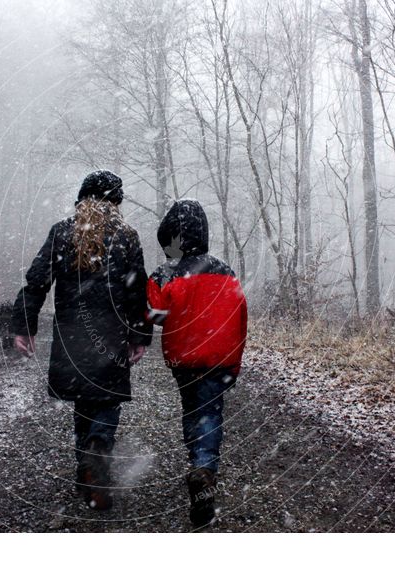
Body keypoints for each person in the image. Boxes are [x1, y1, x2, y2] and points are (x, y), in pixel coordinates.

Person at [11, 170, 152, 510]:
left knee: (82, 402)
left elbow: (36, 282)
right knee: (105, 402)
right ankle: (98, 451)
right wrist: (138, 336)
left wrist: (24, 325)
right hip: (111, 337)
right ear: (116, 203)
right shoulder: (127, 237)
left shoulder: (62, 232)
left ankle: (86, 467)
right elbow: (137, 292)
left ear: (82, 199)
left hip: (71, 337)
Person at [146, 199, 248, 529]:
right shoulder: (224, 271)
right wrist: (234, 364)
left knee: (192, 408)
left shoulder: (167, 273)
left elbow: (154, 313)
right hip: (218, 359)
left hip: (184, 359)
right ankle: (203, 467)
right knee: (210, 412)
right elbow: (238, 317)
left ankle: (197, 462)